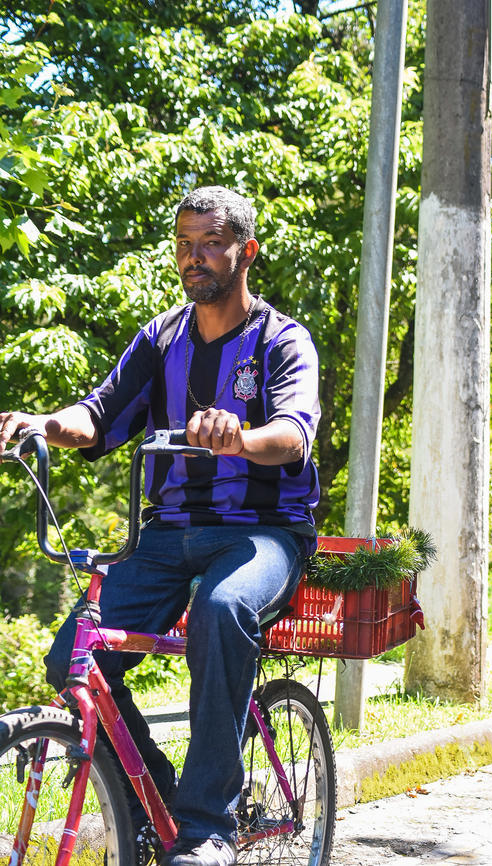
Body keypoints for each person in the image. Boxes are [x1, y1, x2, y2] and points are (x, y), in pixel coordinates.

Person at [0, 186, 321, 866]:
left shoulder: (281, 340)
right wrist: (45, 426)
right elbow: (99, 414)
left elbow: (294, 434)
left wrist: (239, 438)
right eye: (184, 244)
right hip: (167, 534)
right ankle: (155, 799)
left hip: (262, 533)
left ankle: (207, 828)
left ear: (245, 252)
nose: (193, 257)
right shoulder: (162, 337)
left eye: (210, 243)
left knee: (223, 606)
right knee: (72, 659)